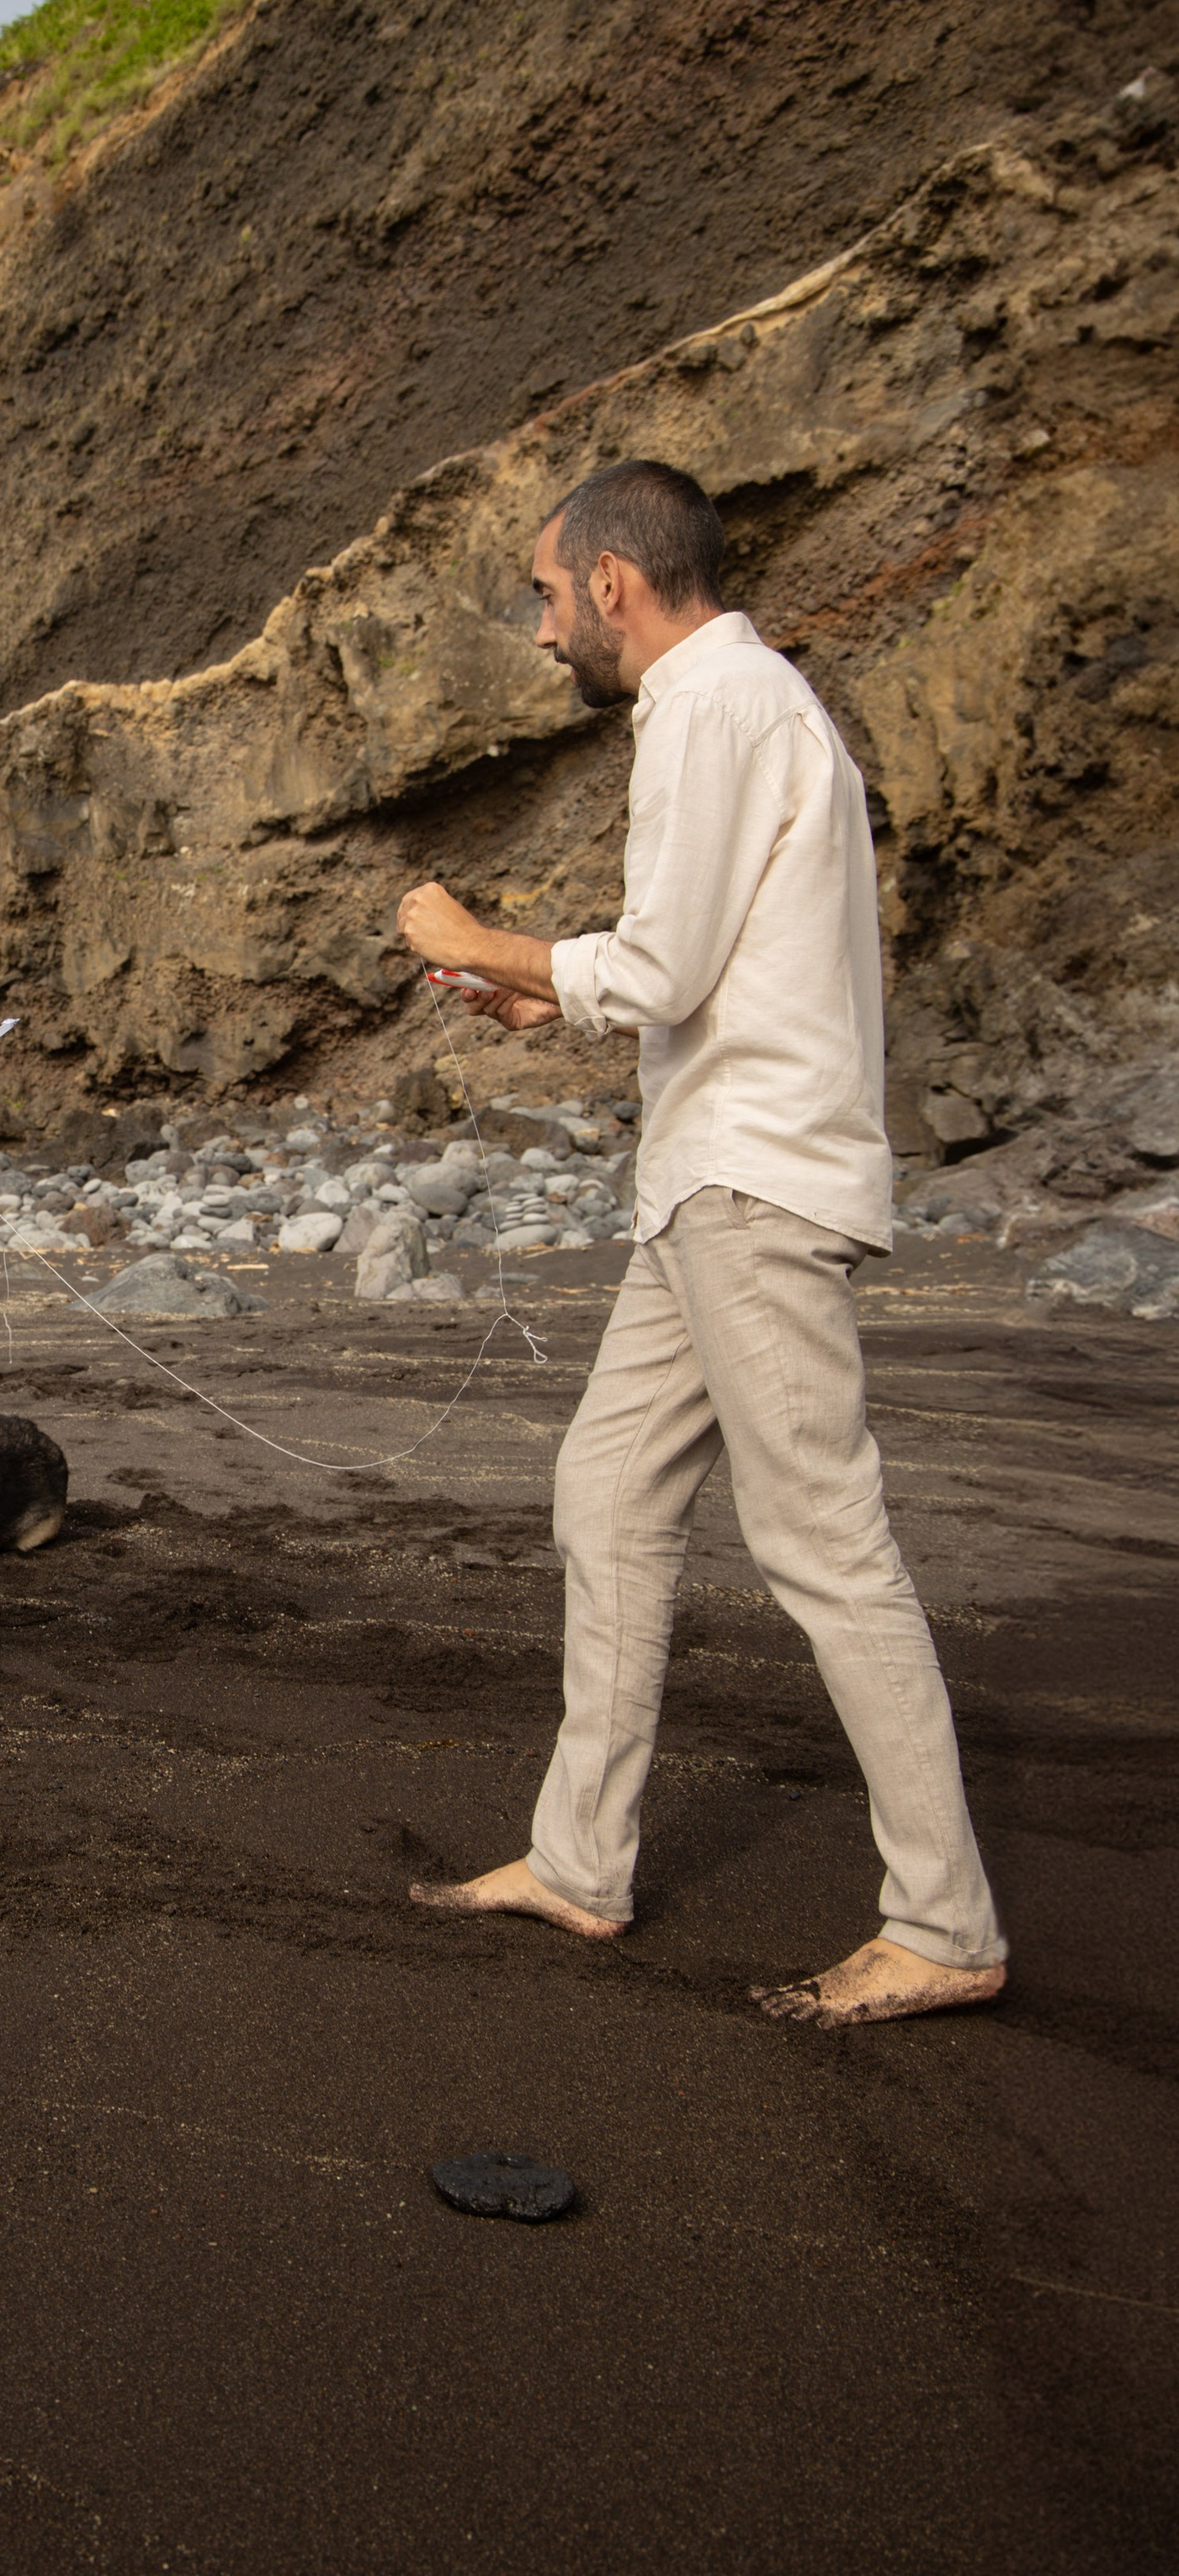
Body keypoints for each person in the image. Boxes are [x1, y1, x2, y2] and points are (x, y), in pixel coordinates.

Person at [395, 460, 1006, 2028]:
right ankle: (578, 1858)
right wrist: (545, 991)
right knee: (605, 1488)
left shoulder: (712, 703)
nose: (542, 632)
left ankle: (942, 1921)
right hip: (706, 1184)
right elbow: (703, 969)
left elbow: (662, 967)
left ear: (612, 582)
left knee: (826, 1543)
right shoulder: (751, 705)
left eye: (544, 593)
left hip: (753, 1187)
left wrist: (474, 939)